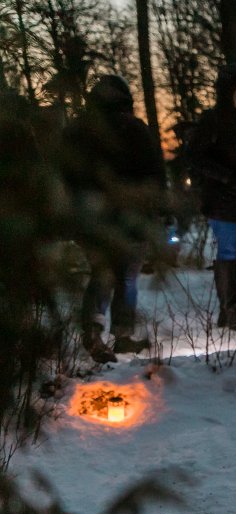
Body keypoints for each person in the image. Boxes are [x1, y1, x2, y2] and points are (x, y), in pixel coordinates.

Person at [60, 74, 167, 360]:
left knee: (102, 274)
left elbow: (65, 176)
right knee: (126, 278)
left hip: (91, 218)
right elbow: (155, 174)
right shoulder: (135, 129)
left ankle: (93, 334)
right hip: (131, 219)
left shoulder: (76, 131)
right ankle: (122, 334)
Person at [185, 63, 236, 332]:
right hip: (224, 200)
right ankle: (229, 310)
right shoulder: (214, 119)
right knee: (230, 252)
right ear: (226, 91)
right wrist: (226, 177)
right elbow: (196, 156)